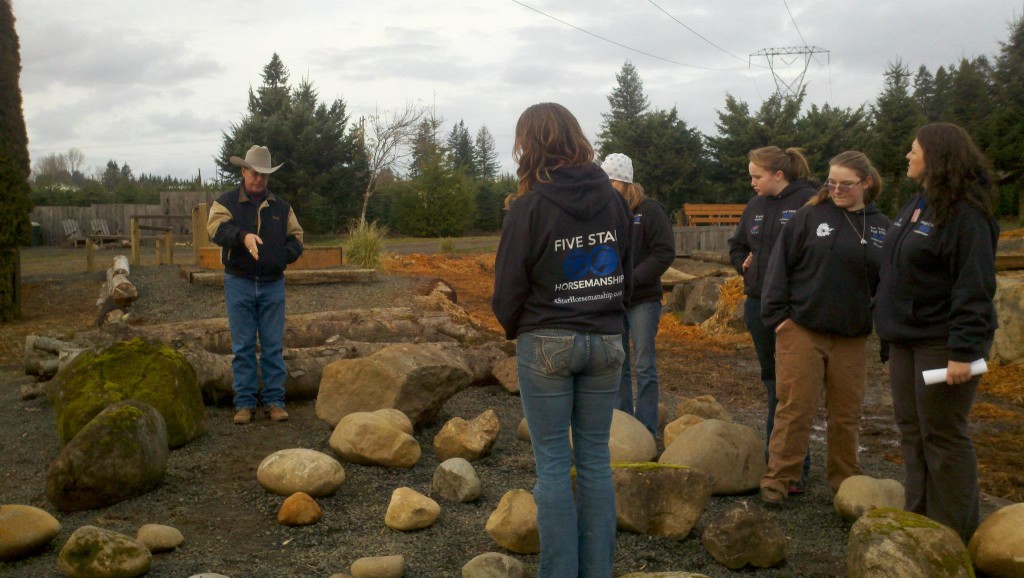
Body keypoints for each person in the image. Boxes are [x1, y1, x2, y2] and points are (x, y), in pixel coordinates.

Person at [492, 102, 632, 578]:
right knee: (594, 459)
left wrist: (518, 329)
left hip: (548, 339)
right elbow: (626, 266)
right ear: (575, 138)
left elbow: (508, 286)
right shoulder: (614, 199)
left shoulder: (529, 206)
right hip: (607, 338)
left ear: (529, 145)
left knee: (552, 465)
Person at [874, 123, 998, 543]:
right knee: (911, 431)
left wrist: (964, 351)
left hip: (942, 343)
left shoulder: (966, 215)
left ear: (938, 157)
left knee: (943, 436)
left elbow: (974, 287)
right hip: (906, 338)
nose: (907, 156)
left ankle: (951, 536)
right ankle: (919, 522)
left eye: (914, 150)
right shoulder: (917, 203)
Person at [758, 151, 891, 506]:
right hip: (802, 328)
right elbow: (778, 268)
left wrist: (888, 330)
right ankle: (779, 479)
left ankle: (846, 483)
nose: (836, 189)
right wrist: (779, 320)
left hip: (851, 335)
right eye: (831, 182)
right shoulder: (809, 217)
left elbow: (890, 284)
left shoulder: (881, 226)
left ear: (865, 183)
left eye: (845, 184)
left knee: (847, 414)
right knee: (795, 407)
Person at [727, 146, 817, 494]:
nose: (752, 183)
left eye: (757, 176)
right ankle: (776, 461)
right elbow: (737, 245)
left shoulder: (809, 203)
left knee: (792, 390)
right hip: (758, 304)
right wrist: (742, 262)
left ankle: (793, 470)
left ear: (779, 175)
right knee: (772, 385)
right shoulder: (755, 206)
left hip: (793, 310)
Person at [208, 145, 304, 425]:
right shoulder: (225, 203)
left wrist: (279, 257)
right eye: (254, 173)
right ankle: (245, 403)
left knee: (273, 346)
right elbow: (215, 229)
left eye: (264, 174)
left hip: (273, 284)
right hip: (238, 282)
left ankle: (275, 401)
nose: (259, 179)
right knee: (243, 346)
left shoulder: (282, 208)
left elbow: (297, 239)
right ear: (244, 172)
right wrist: (243, 236)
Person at [601, 153, 675, 437]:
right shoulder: (606, 210)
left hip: (643, 299)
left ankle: (646, 426)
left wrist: (633, 278)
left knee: (644, 363)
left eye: (611, 182)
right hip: (614, 299)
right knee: (617, 363)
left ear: (624, 182)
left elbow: (664, 252)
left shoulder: (649, 211)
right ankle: (624, 425)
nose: (606, 188)